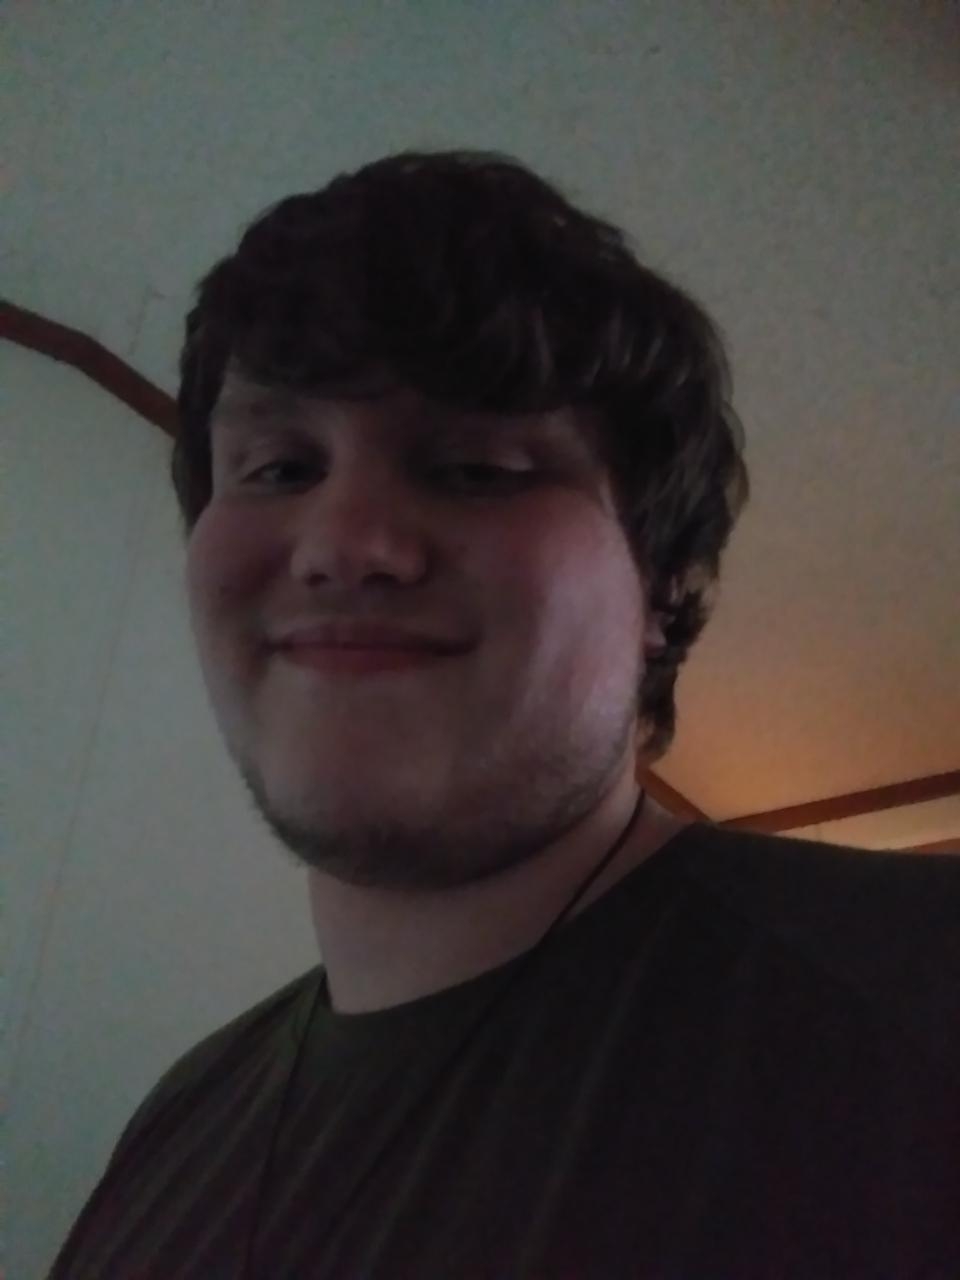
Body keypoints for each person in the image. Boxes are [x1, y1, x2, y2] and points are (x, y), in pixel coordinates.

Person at [49, 150, 958, 1280]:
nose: (343, 544)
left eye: (476, 468)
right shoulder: (176, 1122)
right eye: (279, 467)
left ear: (665, 588)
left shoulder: (924, 986)